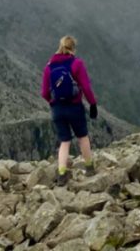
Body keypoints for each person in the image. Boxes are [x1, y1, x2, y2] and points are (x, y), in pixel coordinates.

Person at [41, 35, 99, 185]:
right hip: (74, 107)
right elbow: (86, 87)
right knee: (82, 138)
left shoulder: (49, 66)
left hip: (57, 110)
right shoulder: (77, 64)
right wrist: (92, 104)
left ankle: (62, 175)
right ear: (73, 48)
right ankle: (89, 168)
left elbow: (44, 93)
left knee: (64, 142)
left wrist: (53, 103)